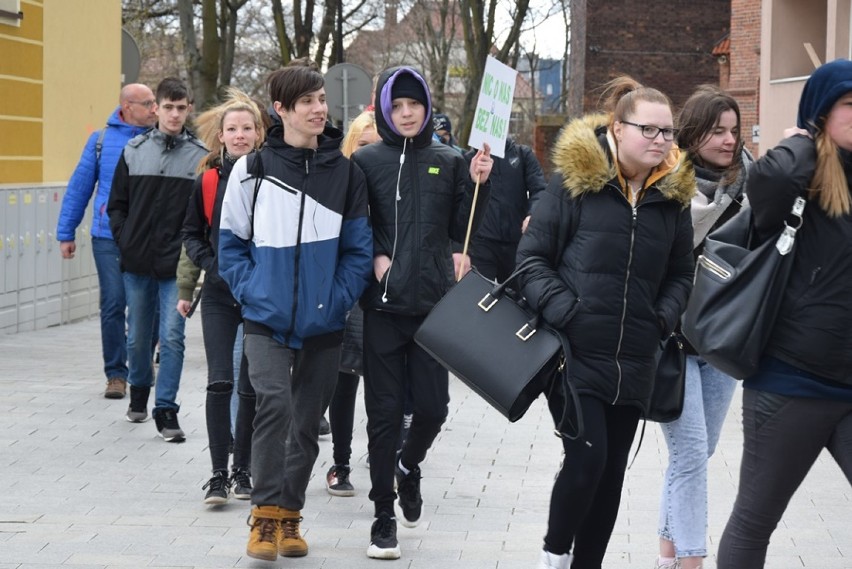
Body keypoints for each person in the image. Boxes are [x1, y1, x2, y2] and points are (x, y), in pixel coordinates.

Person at [516, 76, 695, 569]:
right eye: (649, 130)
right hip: (573, 354)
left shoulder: (673, 198)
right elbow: (531, 260)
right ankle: (555, 553)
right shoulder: (575, 183)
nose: (661, 141)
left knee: (612, 472)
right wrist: (566, 312)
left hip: (637, 355)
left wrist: (660, 320)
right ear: (617, 128)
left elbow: (682, 273)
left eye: (668, 132)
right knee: (586, 461)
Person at [217, 59, 372, 561]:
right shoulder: (252, 169)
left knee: (306, 424)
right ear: (281, 109)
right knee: (275, 407)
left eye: (321, 99)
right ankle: (262, 517)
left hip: (324, 322)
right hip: (264, 317)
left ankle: (289, 517)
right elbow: (230, 245)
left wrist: (339, 297)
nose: (318, 108)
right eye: (306, 101)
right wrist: (253, 290)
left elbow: (358, 251)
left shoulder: (345, 174)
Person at [351, 65, 493, 560]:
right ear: (385, 110)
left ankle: (408, 468)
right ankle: (382, 517)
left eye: (414, 105)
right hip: (384, 307)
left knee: (433, 409)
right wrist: (374, 257)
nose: (406, 113)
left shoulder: (450, 159)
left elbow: (463, 226)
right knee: (384, 415)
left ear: (427, 107)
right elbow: (355, 221)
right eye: (397, 106)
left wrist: (480, 183)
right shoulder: (366, 161)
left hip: (434, 305)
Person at [717, 58, 852, 569]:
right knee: (755, 523)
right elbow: (765, 183)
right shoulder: (799, 173)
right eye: (850, 104)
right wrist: (803, 137)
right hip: (792, 381)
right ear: (822, 112)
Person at [652, 86, 752, 569]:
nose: (729, 140)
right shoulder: (668, 187)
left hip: (723, 341)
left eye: (734, 130)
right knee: (690, 454)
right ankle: (691, 560)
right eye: (718, 131)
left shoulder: (753, 189)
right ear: (693, 134)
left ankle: (668, 555)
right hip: (672, 340)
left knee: (699, 453)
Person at [175, 88, 264, 505]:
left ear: (259, 133)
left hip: (259, 294)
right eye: (233, 129)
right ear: (222, 135)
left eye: (248, 128)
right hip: (218, 295)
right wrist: (211, 262)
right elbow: (191, 233)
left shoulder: (271, 179)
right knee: (219, 382)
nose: (241, 135)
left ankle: (244, 470)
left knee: (249, 385)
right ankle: (217, 474)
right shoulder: (208, 180)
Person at [107, 77, 208, 441]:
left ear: (189, 109)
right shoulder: (134, 150)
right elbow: (117, 205)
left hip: (176, 266)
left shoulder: (200, 156)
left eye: (181, 108)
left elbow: (202, 215)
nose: (175, 114)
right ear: (156, 109)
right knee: (137, 339)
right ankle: (138, 390)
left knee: (172, 337)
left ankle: (166, 409)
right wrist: (125, 239)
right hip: (137, 262)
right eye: (168, 107)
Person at [56, 83, 156, 399]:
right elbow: (79, 188)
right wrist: (65, 233)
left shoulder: (161, 139)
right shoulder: (100, 141)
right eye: (148, 103)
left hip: (149, 237)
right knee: (114, 303)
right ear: (127, 106)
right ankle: (116, 374)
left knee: (148, 305)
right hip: (107, 236)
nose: (155, 109)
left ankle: (141, 360)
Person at [325, 110, 381, 498]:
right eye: (363, 145)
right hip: (347, 292)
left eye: (376, 145)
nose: (370, 152)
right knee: (343, 381)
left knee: (381, 386)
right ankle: (340, 463)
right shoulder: (340, 182)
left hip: (383, 293)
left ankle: (383, 459)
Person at [463, 137, 547, 282]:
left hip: (516, 242)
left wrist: (533, 214)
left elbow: (539, 189)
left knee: (515, 300)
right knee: (480, 297)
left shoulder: (522, 155)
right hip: (481, 244)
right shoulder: (470, 160)